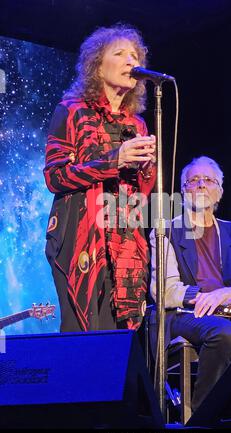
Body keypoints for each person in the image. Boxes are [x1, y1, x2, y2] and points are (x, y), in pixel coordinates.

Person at [44, 24, 156, 333]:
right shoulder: (71, 111)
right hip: (80, 237)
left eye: (135, 55)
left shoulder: (138, 124)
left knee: (116, 345)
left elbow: (140, 196)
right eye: (119, 53)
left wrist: (148, 168)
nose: (130, 61)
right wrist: (114, 160)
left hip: (126, 245)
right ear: (96, 65)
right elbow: (55, 177)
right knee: (82, 337)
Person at [150, 156, 231, 412]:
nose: (201, 185)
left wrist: (229, 294)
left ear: (220, 192)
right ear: (183, 191)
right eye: (193, 180)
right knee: (224, 332)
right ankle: (204, 416)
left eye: (208, 180)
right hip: (186, 313)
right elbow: (165, 291)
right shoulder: (166, 231)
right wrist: (210, 296)